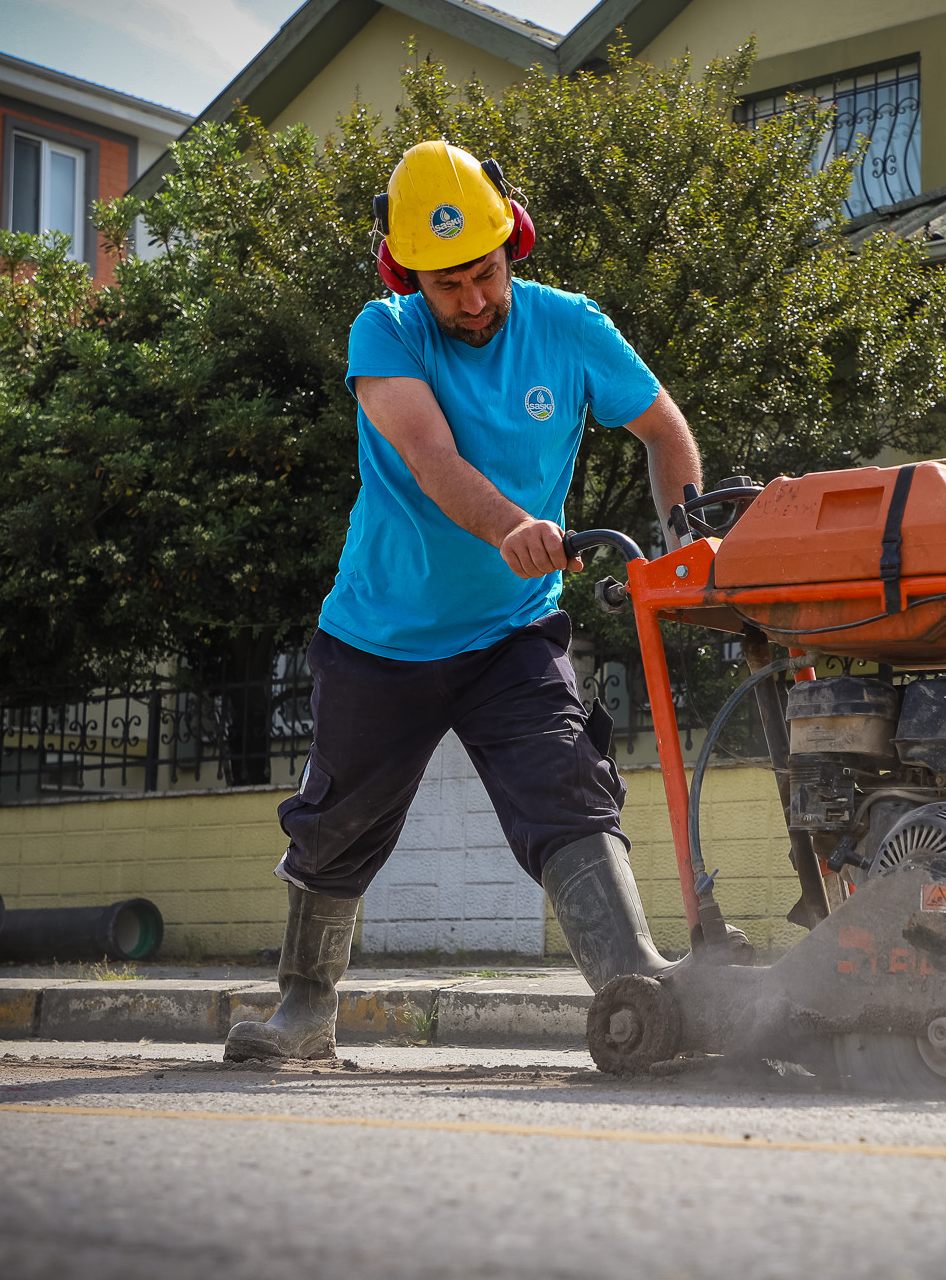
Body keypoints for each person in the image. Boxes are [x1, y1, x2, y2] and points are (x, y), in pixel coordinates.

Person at [225, 140, 701, 1061]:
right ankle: (304, 1009)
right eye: (448, 284)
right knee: (337, 821)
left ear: (513, 242)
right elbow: (431, 459)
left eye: (484, 272)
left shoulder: (570, 327)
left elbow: (663, 428)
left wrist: (685, 545)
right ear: (408, 276)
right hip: (379, 637)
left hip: (510, 631)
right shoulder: (386, 333)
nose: (473, 299)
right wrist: (510, 525)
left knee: (568, 785)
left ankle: (636, 988)